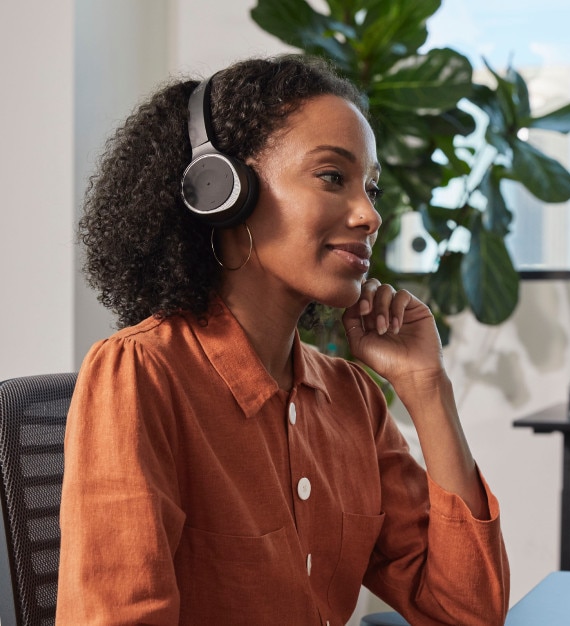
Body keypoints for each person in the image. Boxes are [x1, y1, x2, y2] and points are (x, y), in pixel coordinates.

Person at [56, 54, 509, 625]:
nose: (370, 215)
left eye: (371, 189)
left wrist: (427, 388)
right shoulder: (141, 373)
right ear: (223, 190)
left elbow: (466, 610)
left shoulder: (352, 398)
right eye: (332, 177)